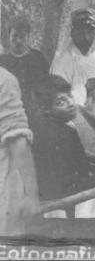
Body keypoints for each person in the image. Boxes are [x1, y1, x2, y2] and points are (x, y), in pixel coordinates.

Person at [30, 75, 95, 202]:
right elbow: (62, 187)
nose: (71, 104)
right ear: (46, 109)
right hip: (55, 204)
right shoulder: (59, 134)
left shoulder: (54, 126)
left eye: (70, 96)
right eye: (61, 102)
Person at [51, 8, 95, 125]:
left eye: (89, 30)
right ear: (73, 33)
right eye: (81, 30)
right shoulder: (63, 62)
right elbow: (58, 102)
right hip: (78, 128)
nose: (85, 35)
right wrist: (84, 89)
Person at [0, 67, 40, 236]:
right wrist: (31, 195)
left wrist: (31, 195)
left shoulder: (3, 79)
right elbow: (17, 138)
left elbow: (16, 134)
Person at [0, 17, 50, 119]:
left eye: (22, 36)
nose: (18, 41)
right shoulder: (2, 62)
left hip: (37, 115)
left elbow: (47, 87)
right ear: (9, 37)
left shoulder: (39, 58)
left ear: (29, 37)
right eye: (14, 36)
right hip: (10, 115)